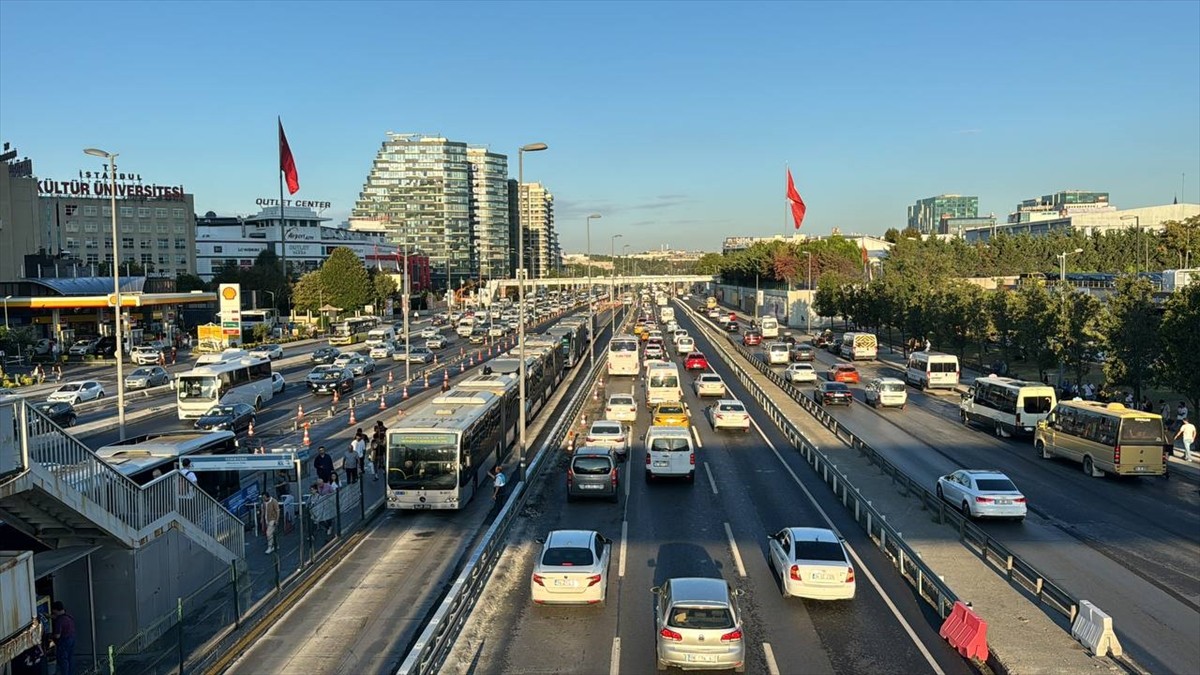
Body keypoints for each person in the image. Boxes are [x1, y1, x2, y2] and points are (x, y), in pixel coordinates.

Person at [50, 601, 76, 675]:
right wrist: (49, 616)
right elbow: (55, 617)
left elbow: (57, 636)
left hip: (64, 641)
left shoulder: (59, 621)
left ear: (55, 610)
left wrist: (50, 636)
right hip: (72, 638)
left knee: (63, 660)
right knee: (70, 658)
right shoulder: (69, 617)